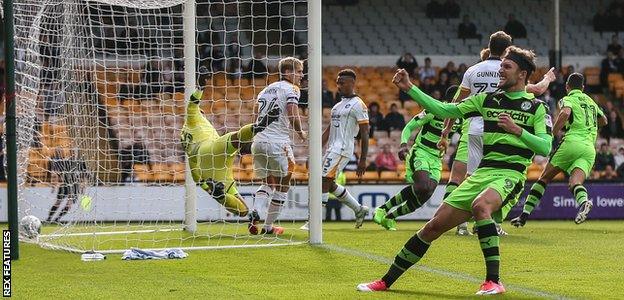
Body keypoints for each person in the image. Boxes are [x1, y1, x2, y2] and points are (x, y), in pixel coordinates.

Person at [358, 46, 552, 295]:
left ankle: (493, 281)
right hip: (482, 173)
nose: (500, 71)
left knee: (482, 206)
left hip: (510, 173)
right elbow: (445, 110)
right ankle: (385, 281)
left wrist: (518, 130)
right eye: (501, 65)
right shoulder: (487, 100)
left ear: (522, 74)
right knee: (432, 228)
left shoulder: (537, 108)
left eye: (506, 67)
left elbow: (545, 147)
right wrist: (410, 88)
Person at [438, 31, 554, 235]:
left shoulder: (473, 70)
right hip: (499, 126)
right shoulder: (510, 70)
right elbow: (534, 90)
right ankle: (490, 222)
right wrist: (548, 79)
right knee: (497, 173)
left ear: (489, 46)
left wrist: (447, 129)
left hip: (473, 127)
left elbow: (456, 102)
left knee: (467, 175)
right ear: (507, 49)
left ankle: (461, 224)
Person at [510, 73, 608, 227]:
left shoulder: (568, 98)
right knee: (575, 182)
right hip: (589, 148)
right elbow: (604, 120)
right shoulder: (591, 101)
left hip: (571, 143)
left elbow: (565, 113)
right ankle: (584, 202)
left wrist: (552, 133)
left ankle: (523, 216)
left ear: (567, 87)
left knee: (543, 179)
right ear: (582, 88)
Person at [181, 87, 280, 220]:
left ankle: (220, 194)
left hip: (209, 169)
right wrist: (200, 87)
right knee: (235, 138)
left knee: (243, 210)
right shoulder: (193, 119)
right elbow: (192, 106)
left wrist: (209, 189)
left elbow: (196, 177)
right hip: (210, 149)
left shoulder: (185, 138)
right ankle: (258, 126)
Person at [374, 86, 458, 231]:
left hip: (437, 159)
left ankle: (390, 217)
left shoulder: (461, 118)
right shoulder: (434, 110)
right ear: (454, 99)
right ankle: (382, 209)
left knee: (426, 193)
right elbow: (409, 127)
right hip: (421, 152)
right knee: (422, 186)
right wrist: (403, 144)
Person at [248, 57, 306, 235]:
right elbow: (292, 112)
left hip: (258, 142)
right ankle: (268, 227)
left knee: (267, 182)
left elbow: (255, 117)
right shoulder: (292, 89)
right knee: (283, 186)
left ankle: (256, 210)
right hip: (278, 143)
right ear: (287, 73)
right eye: (298, 71)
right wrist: (300, 131)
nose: (301, 75)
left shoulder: (264, 90)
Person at [321, 69, 370, 228]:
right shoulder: (336, 106)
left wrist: (363, 159)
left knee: (322, 180)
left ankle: (313, 221)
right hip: (331, 149)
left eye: (342, 82)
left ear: (352, 83)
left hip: (342, 149)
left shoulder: (358, 105)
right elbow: (329, 130)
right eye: (337, 82)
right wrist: (315, 149)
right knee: (329, 184)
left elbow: (365, 133)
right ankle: (359, 209)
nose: (338, 85)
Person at [46, 149, 89, 223]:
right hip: (64, 185)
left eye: (75, 152)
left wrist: (83, 187)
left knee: (69, 204)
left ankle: (57, 219)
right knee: (58, 202)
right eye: (72, 152)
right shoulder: (66, 162)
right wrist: (54, 185)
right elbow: (57, 173)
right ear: (70, 153)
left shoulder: (81, 163)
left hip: (75, 186)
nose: (74, 154)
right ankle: (49, 219)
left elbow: (84, 175)